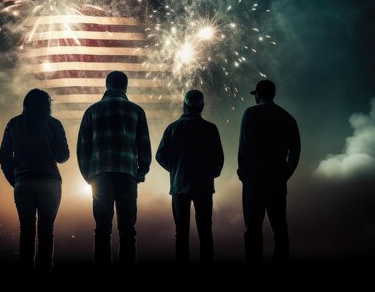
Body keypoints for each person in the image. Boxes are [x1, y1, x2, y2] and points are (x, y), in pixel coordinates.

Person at [77, 71, 151, 268]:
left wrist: (88, 175)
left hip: (99, 174)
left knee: (102, 229)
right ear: (125, 87)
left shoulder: (91, 111)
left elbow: (83, 148)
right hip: (127, 174)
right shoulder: (136, 111)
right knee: (128, 229)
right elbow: (144, 146)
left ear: (106, 85)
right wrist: (141, 172)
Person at [0, 89, 69, 273]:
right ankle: (45, 272)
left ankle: (26, 272)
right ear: (47, 105)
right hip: (50, 182)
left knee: (26, 231)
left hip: (24, 182)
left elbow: (4, 155)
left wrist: (15, 179)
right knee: (46, 231)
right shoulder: (54, 124)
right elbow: (63, 156)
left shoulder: (14, 123)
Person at [156, 90, 224, 264]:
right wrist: (211, 174)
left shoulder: (172, 128)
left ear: (184, 105)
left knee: (181, 232)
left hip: (179, 185)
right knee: (205, 231)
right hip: (204, 186)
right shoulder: (210, 128)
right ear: (202, 106)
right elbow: (218, 159)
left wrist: (176, 170)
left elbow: (160, 156)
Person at [238, 79, 300, 263]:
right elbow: (295, 152)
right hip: (276, 181)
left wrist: (244, 174)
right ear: (273, 94)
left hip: (253, 181)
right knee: (280, 229)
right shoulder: (286, 117)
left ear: (258, 94)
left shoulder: (250, 113)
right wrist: (285, 175)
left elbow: (244, 146)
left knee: (253, 230)